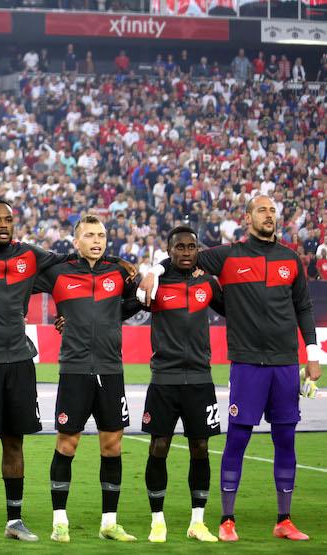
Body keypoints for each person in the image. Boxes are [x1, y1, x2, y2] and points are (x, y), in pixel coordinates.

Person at [0, 200, 132, 542]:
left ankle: (14, 521)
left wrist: (118, 262)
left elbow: (71, 264)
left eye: (8, 219)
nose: (4, 224)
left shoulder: (29, 255)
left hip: (19, 363)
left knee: (14, 442)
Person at [139, 196, 322, 542]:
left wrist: (313, 354)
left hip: (285, 363)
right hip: (247, 362)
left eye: (272, 210)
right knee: (237, 437)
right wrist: (155, 271)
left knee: (286, 439)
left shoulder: (290, 259)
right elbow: (182, 256)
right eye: (261, 210)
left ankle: (284, 520)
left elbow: (304, 307)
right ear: (248, 217)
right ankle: (226, 520)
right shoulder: (227, 255)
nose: (268, 215)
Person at [32, 215, 141, 543]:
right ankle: (59, 521)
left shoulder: (119, 272)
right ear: (76, 240)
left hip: (111, 370)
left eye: (101, 235)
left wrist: (109, 316)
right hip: (75, 370)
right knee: (67, 444)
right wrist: (57, 315)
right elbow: (20, 277)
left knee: (112, 446)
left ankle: (109, 522)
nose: (97, 240)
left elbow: (140, 298)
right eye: (90, 235)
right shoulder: (58, 271)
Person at [131, 226, 225, 543]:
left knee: (200, 449)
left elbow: (236, 309)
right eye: (179, 247)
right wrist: (152, 271)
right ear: (169, 251)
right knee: (159, 447)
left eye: (191, 247)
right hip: (164, 380)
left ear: (198, 250)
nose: (186, 252)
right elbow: (126, 306)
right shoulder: (155, 284)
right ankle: (158, 520)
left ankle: (197, 522)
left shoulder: (206, 283)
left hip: (201, 379)